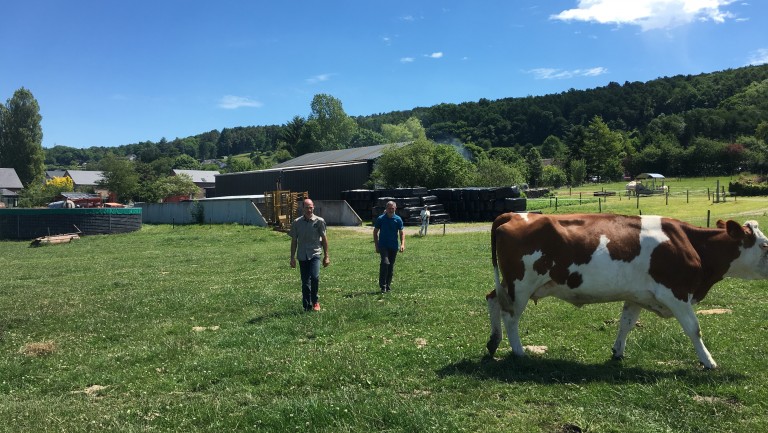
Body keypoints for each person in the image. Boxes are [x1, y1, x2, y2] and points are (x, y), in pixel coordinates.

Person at [289, 198, 330, 311]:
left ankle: (315, 301)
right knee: (305, 283)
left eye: (311, 207)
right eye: (307, 207)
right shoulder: (297, 223)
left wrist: (326, 256)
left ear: (313, 207)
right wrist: (292, 257)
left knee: (315, 277)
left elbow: (325, 240)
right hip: (302, 255)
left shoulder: (319, 221)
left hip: (315, 254)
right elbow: (294, 241)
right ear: (303, 208)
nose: (309, 210)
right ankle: (306, 305)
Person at [373, 200, 405, 293]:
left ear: (395, 208)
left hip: (393, 246)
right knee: (385, 263)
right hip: (383, 245)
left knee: (390, 266)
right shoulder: (381, 219)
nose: (391, 210)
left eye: (392, 208)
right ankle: (383, 286)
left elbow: (402, 233)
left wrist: (402, 244)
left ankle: (388, 285)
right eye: (389, 208)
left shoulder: (398, 219)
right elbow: (375, 232)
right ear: (386, 209)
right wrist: (376, 245)